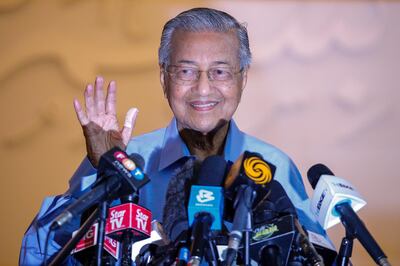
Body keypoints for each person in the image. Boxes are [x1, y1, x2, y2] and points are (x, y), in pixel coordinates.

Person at [20, 7, 333, 265]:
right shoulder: (131, 159)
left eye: (220, 71)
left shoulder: (272, 165)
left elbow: (319, 256)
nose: (203, 88)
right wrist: (100, 168)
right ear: (164, 78)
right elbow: (39, 252)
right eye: (186, 71)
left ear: (243, 79)